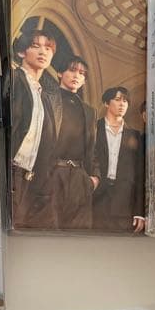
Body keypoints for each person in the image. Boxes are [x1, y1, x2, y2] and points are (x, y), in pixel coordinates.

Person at [9, 29, 61, 228]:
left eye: (48, 48)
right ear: (22, 52)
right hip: (12, 171)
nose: (43, 52)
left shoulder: (44, 96)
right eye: (35, 46)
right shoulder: (13, 79)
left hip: (32, 178)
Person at [38, 57, 97, 230]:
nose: (76, 76)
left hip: (80, 177)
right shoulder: (46, 99)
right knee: (51, 231)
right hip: (53, 173)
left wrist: (95, 177)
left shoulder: (89, 111)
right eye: (72, 70)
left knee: (80, 235)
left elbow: (92, 148)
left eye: (82, 73)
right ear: (59, 73)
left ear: (84, 80)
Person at [92, 87, 146, 233]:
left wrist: (139, 211)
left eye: (125, 101)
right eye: (117, 100)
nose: (122, 104)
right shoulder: (93, 128)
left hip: (124, 202)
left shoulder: (135, 136)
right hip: (95, 198)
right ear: (106, 103)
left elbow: (139, 175)